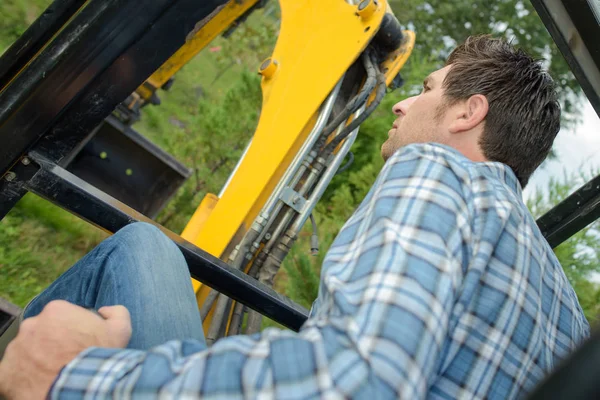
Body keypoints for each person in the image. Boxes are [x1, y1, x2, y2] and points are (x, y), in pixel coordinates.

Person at [0, 35, 590, 399]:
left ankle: (24, 361)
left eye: (428, 87)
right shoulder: (564, 308)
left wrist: (76, 378)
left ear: (468, 113)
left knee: (142, 248)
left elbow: (355, 383)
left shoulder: (438, 173)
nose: (406, 101)